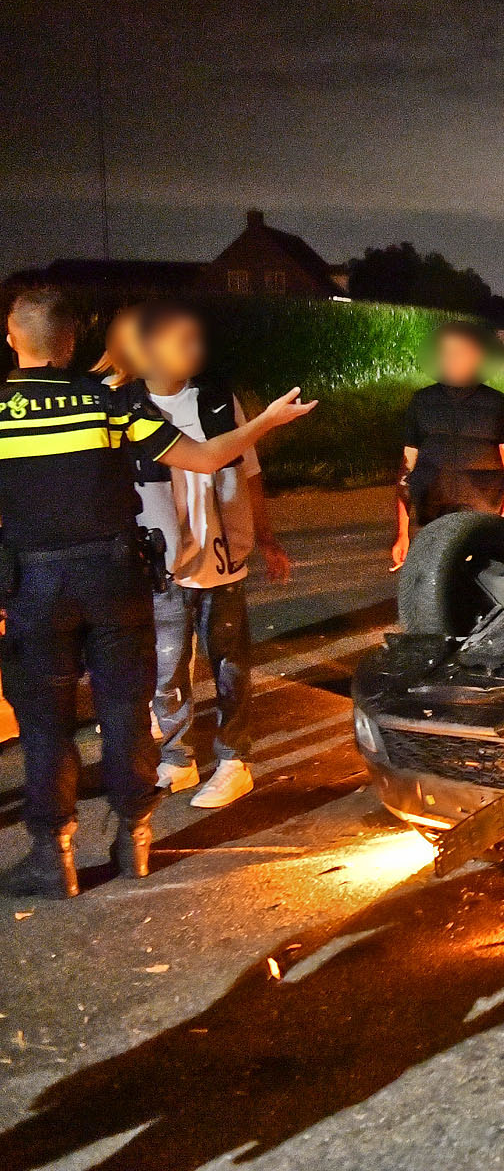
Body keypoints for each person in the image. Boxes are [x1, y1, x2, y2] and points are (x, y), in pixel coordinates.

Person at [0, 288, 315, 899]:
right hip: (115, 579)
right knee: (125, 712)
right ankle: (134, 842)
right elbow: (205, 458)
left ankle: (53, 856)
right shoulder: (111, 402)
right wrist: (265, 422)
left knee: (46, 724)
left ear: (12, 339)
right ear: (70, 341)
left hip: (34, 585)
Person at [135, 302, 292, 808]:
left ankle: (232, 761)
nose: (195, 349)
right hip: (161, 560)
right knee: (166, 664)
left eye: (196, 338)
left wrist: (266, 539)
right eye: (182, 339)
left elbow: (249, 474)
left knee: (230, 663)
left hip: (221, 554)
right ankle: (176, 758)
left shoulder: (219, 400)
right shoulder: (127, 406)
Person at [390, 322, 504, 569]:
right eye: (447, 352)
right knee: (438, 578)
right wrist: (402, 533)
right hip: (434, 519)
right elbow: (406, 469)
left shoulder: (497, 403)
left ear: (476, 357)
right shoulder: (422, 401)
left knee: (480, 578)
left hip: (482, 517)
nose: (453, 359)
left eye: (461, 352)